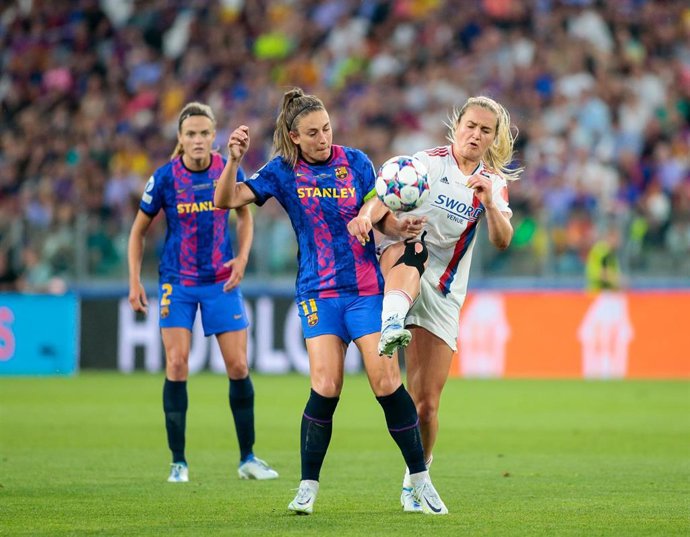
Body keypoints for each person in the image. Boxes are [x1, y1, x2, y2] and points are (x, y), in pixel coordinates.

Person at [213, 87, 448, 515]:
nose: (323, 137)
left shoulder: (356, 163)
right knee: (325, 385)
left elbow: (382, 216)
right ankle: (307, 487)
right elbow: (226, 199)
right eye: (313, 133)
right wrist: (231, 160)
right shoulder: (282, 171)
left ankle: (420, 479)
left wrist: (401, 226)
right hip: (317, 293)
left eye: (326, 128)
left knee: (386, 383)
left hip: (363, 290)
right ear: (295, 136)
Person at [376, 96, 521, 512]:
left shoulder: (491, 183)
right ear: (457, 126)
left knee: (427, 404)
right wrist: (396, 224)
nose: (476, 135)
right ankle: (390, 322)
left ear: (493, 139)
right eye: (470, 125)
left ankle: (414, 478)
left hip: (444, 291)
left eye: (485, 130)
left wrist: (490, 202)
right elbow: (380, 209)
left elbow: (502, 240)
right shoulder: (424, 163)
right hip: (405, 263)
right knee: (409, 254)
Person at [127, 102, 278, 483]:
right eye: (190, 134)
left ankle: (248, 458)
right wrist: (133, 281)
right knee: (177, 364)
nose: (197, 140)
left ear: (214, 137)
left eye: (203, 133)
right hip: (177, 282)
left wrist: (242, 257)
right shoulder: (164, 178)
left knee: (239, 366)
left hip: (219, 281)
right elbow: (137, 232)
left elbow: (245, 217)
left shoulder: (227, 171)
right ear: (180, 138)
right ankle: (178, 462)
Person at [585, 227, 622, 291]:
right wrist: (614, 278)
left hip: (607, 293)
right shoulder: (601, 251)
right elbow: (598, 272)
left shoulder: (611, 254)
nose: (618, 241)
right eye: (616, 238)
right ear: (609, 237)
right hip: (597, 293)